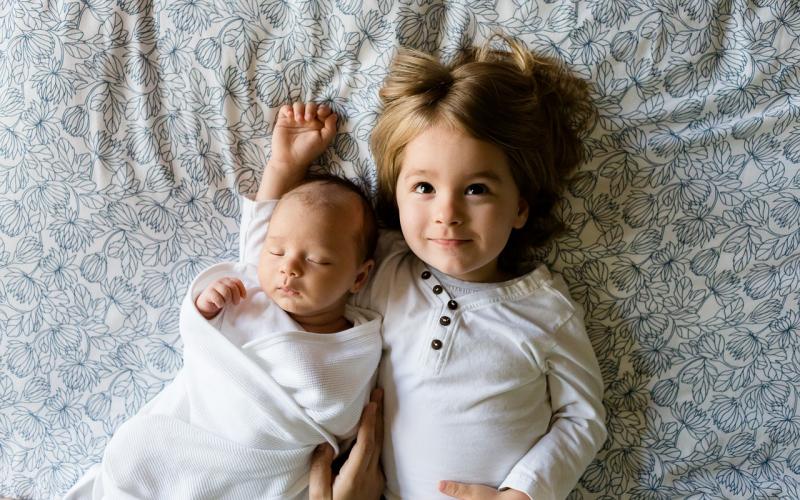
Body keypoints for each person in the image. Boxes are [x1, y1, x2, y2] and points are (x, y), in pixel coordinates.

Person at [294, 35, 608, 500]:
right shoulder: (379, 270)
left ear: (520, 208)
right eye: (423, 188)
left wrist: (523, 493)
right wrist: (287, 167)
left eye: (477, 189)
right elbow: (286, 259)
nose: (448, 213)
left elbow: (583, 418)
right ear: (394, 197)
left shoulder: (545, 310)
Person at [63, 104, 383, 500]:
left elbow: (339, 417)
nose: (289, 269)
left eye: (317, 260)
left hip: (261, 469)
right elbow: (264, 225)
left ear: (359, 277)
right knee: (137, 456)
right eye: (277, 252)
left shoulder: (358, 344)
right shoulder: (251, 288)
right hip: (189, 441)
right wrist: (285, 162)